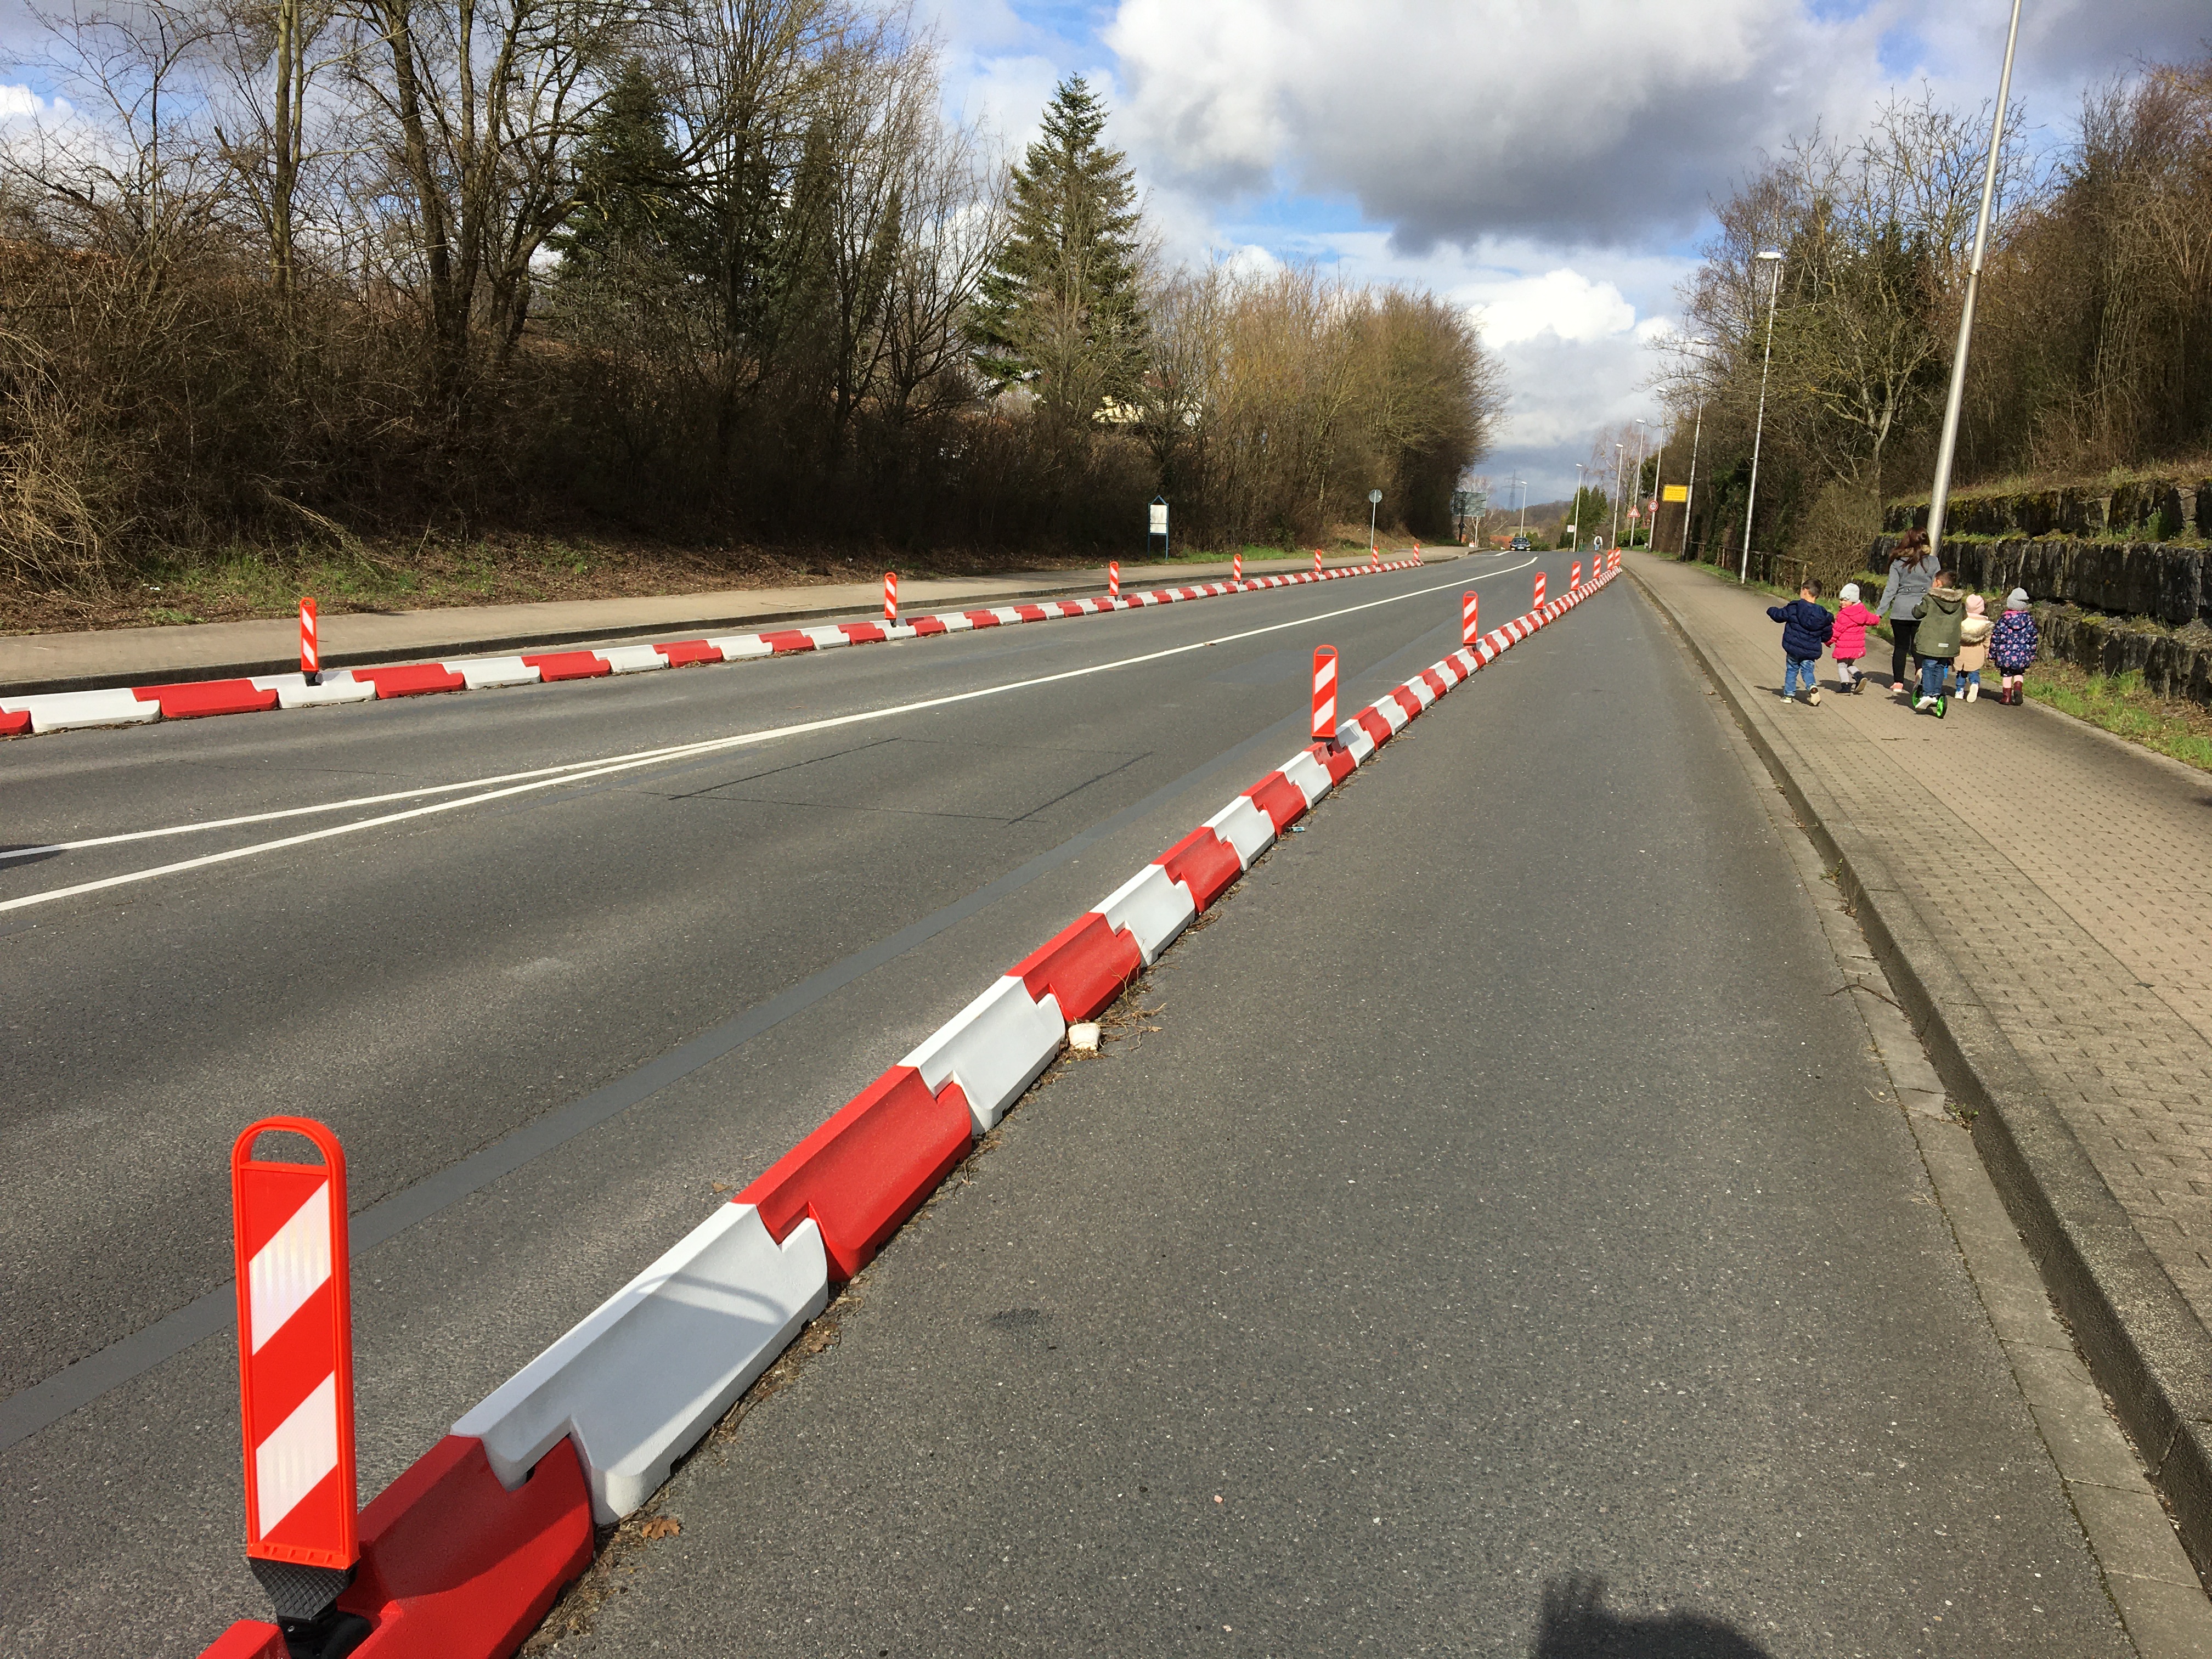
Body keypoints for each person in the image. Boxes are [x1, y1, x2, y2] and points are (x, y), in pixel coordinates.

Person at [1876, 529, 1936, 697]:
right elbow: (1936, 588)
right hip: (1923, 610)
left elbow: (1891, 589)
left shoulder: (1898, 562)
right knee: (1919, 647)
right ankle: (1920, 674)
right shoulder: (1933, 562)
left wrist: (1880, 612)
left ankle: (1898, 683)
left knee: (1901, 647)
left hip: (1900, 610)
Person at [1767, 578, 1834, 705]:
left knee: (1792, 670)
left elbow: (1779, 616)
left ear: (1805, 591)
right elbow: (1827, 635)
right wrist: (1821, 638)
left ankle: (1788, 696)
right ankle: (1812, 688)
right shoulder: (1823, 615)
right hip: (1810, 650)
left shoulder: (1795, 607)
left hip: (1794, 648)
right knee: (1808, 670)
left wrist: (1771, 610)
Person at [1910, 568, 1966, 716]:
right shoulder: (1959, 602)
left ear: (1938, 583)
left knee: (1929, 665)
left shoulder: (1931, 598)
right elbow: (1964, 617)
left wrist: (1917, 604)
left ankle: (1928, 693)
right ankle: (1936, 694)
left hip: (1931, 640)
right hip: (1949, 641)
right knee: (1940, 666)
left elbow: (1918, 613)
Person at [1990, 588, 2039, 705]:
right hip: (2023, 654)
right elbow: (2033, 639)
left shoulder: (2003, 620)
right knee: (2019, 673)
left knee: (2007, 675)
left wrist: (1992, 653)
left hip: (2005, 654)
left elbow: (1996, 637)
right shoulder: (2029, 620)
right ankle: (2018, 688)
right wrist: (2032, 654)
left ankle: (2006, 697)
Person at [1831, 582, 1880, 693]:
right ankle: (1859, 677)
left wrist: (1828, 641)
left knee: (1842, 665)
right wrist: (1878, 618)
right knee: (1850, 664)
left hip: (1844, 645)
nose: (1842, 602)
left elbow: (1837, 631)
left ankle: (1846, 686)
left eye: (1845, 600)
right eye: (1841, 599)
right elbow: (1872, 619)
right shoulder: (1863, 611)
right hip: (1857, 647)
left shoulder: (1844, 615)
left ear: (1852, 600)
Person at [1954, 594, 1994, 702]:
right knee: (1974, 671)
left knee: (1961, 672)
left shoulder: (1961, 622)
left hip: (1961, 651)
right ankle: (1975, 684)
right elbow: (1987, 642)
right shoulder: (1985, 624)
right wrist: (1988, 654)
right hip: (1977, 652)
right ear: (1982, 609)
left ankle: (1959, 690)